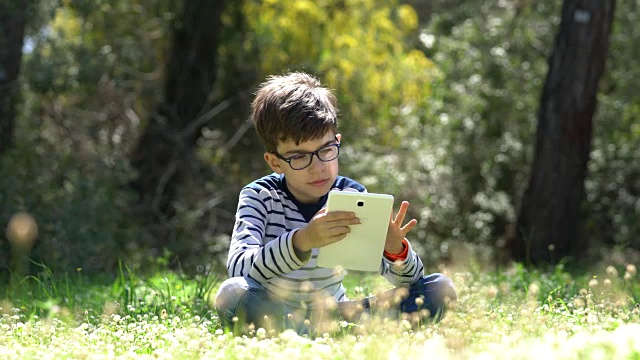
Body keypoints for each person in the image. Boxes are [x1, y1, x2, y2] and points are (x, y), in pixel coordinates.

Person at [214, 72, 456, 334]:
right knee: (231, 294)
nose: (318, 167)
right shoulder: (260, 195)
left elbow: (410, 282)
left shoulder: (352, 195)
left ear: (337, 143)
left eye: (326, 151)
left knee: (440, 290)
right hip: (274, 309)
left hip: (338, 312)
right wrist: (302, 241)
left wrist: (395, 250)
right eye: (299, 157)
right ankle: (325, 332)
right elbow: (238, 268)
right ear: (275, 162)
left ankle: (320, 330)